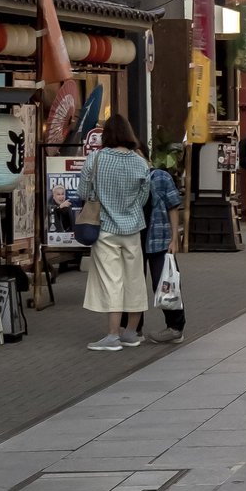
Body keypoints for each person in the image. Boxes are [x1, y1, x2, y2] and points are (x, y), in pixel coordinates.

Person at [81, 115, 151, 352]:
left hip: (105, 228)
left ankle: (112, 335)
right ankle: (131, 332)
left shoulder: (96, 159)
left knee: (112, 280)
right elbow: (144, 197)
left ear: (107, 135)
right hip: (133, 227)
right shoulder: (140, 162)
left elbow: (83, 192)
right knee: (134, 279)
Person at [119, 150, 185, 344]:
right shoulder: (129, 178)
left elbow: (173, 207)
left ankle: (175, 328)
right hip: (133, 240)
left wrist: (175, 238)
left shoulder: (161, 177)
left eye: (134, 153)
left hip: (159, 239)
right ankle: (134, 328)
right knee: (132, 285)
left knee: (164, 283)